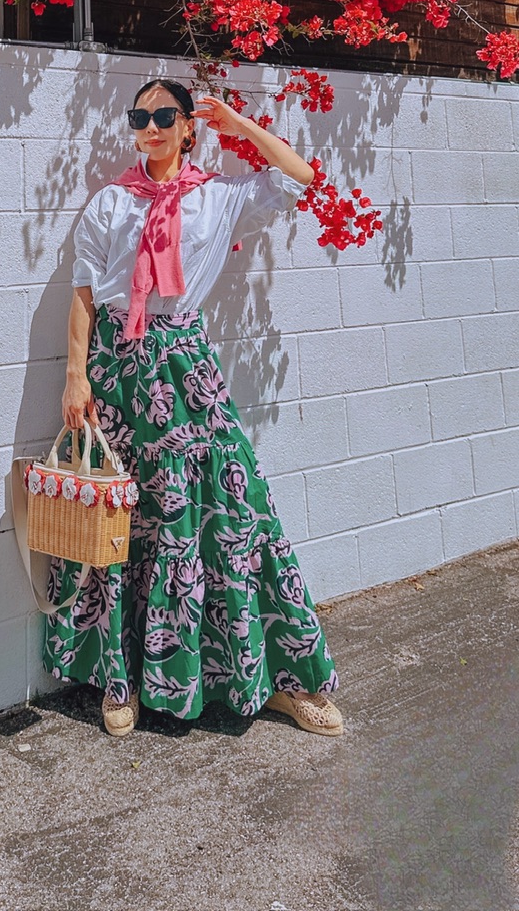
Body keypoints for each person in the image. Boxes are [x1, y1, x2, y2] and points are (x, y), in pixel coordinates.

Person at [45, 76, 342, 738]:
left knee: (235, 505)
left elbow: (302, 181)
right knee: (120, 518)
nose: (150, 126)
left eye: (164, 116)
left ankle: (278, 679)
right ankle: (119, 682)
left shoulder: (220, 196)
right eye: (139, 115)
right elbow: (85, 296)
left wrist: (241, 126)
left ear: (187, 127)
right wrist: (74, 378)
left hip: (185, 362)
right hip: (117, 372)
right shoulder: (109, 205)